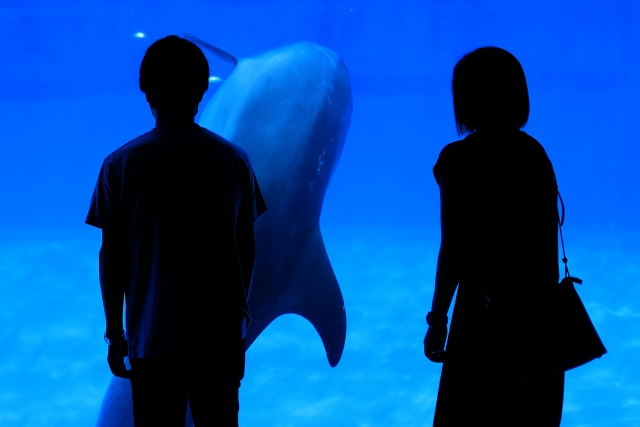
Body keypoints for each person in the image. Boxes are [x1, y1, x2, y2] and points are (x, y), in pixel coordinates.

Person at [85, 35, 267, 426]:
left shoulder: (120, 165)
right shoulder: (234, 162)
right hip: (220, 341)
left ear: (146, 91)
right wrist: (242, 318)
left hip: (154, 342)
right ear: (204, 89)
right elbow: (246, 248)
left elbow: (111, 256)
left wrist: (115, 332)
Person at [423, 47, 565, 427]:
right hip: (541, 325)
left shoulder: (459, 159)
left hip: (484, 325)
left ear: (467, 99)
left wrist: (438, 319)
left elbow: (453, 247)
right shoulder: (535, 152)